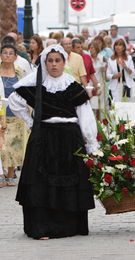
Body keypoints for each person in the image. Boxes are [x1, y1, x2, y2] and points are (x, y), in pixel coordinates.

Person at [8, 44, 98, 239]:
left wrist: (91, 144)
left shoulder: (73, 86)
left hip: (70, 140)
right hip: (44, 137)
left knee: (69, 181)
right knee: (41, 183)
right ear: (44, 63)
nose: (54, 65)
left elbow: (85, 115)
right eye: (50, 61)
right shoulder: (37, 86)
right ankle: (42, 227)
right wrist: (31, 121)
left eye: (58, 61)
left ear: (64, 62)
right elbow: (15, 101)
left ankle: (69, 225)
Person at [0, 44, 27, 187]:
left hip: (16, 113)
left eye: (11, 53)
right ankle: (1, 172)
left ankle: (10, 174)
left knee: (13, 145)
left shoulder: (20, 72)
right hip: (1, 114)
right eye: (5, 53)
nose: (8, 55)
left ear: (16, 56)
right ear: (1, 55)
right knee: (2, 145)